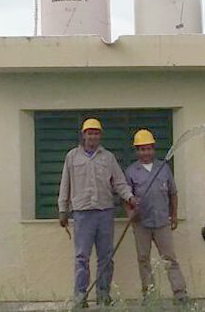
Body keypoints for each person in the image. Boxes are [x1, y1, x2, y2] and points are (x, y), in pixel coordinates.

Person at [58, 118, 138, 307]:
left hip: (104, 213)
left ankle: (103, 294)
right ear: (83, 135)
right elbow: (65, 184)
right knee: (81, 257)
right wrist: (63, 209)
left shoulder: (108, 157)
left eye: (96, 133)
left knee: (106, 257)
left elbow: (119, 183)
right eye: (89, 133)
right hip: (82, 214)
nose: (92, 136)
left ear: (100, 135)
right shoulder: (72, 157)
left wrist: (130, 198)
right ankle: (80, 297)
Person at [124, 129, 189, 304]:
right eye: (142, 149)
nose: (146, 152)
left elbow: (173, 194)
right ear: (137, 151)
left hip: (162, 221)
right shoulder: (131, 172)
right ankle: (150, 295)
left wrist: (174, 216)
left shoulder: (164, 168)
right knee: (143, 259)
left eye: (149, 148)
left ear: (153, 149)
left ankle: (180, 293)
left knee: (169, 258)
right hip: (141, 223)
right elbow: (125, 198)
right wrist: (130, 213)